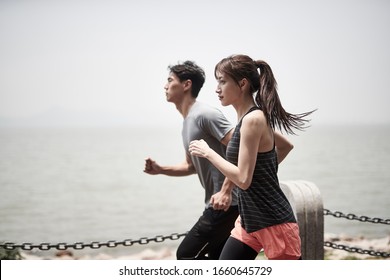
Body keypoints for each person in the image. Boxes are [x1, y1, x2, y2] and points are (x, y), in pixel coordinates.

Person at [189, 54, 315, 260]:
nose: (216, 88)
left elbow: (244, 180)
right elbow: (284, 146)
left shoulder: (253, 120)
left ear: (243, 84)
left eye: (222, 81)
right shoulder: (247, 119)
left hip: (274, 223)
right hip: (249, 221)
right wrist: (261, 173)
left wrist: (208, 153)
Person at [144, 60, 239, 259]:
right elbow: (190, 166)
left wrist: (226, 190)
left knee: (186, 255)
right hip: (219, 204)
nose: (165, 86)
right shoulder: (187, 122)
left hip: (228, 205)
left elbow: (240, 148)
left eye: (170, 80)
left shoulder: (205, 114)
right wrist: (161, 169)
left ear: (186, 85)